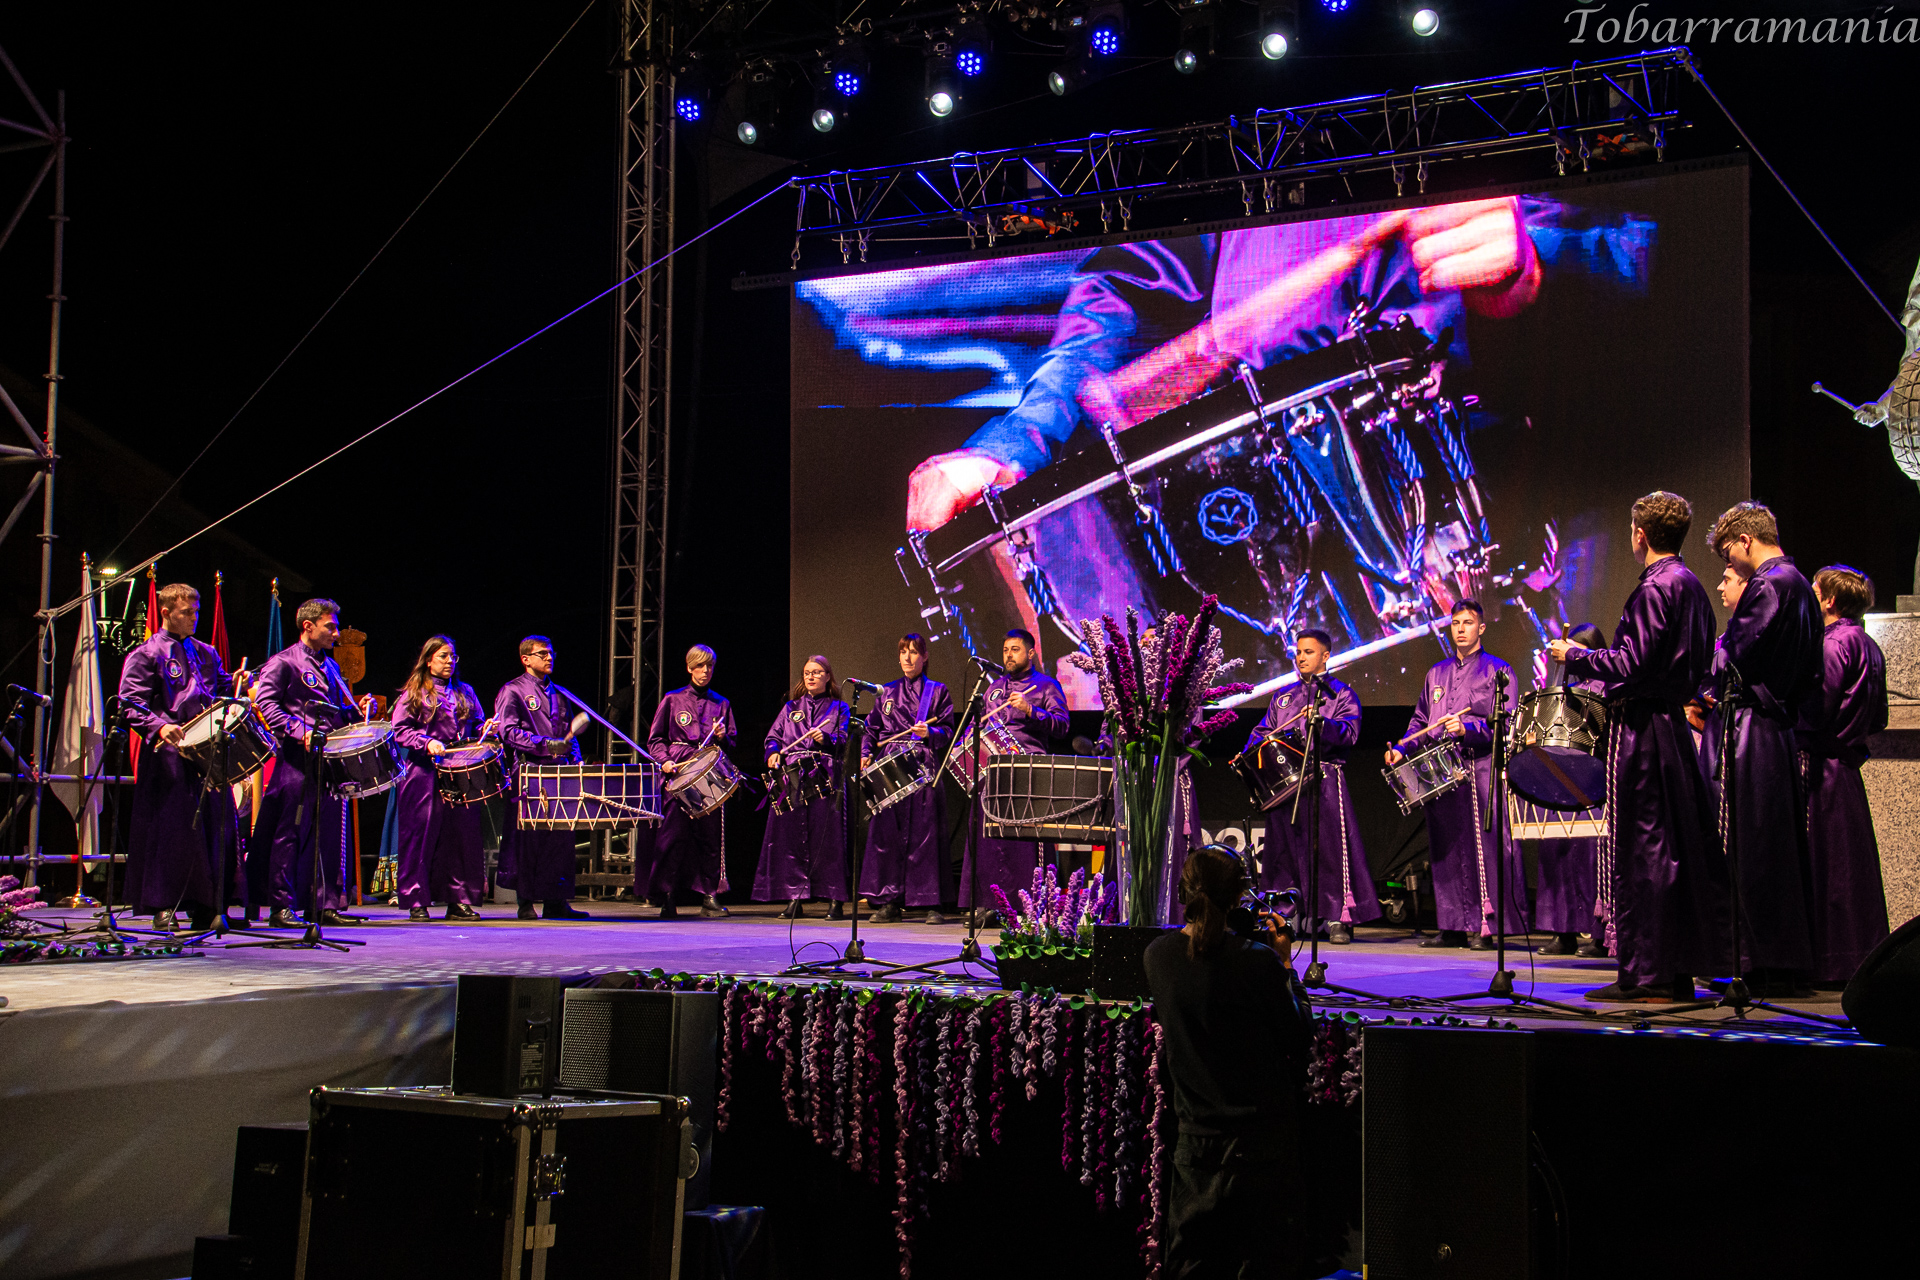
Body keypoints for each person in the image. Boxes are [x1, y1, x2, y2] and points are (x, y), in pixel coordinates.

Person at [1549, 491, 1728, 1002]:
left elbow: (1633, 663)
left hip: (1645, 728)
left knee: (1645, 849)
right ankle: (1671, 970)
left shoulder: (1656, 587)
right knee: (1672, 848)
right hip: (1670, 726)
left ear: (1640, 535)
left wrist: (1575, 656)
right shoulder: (1692, 586)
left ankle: (1649, 974)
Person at [1144, 846, 1307, 1280]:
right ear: (1238, 897)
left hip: (1194, 1147)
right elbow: (1297, 1035)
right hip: (1259, 1150)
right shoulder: (1258, 961)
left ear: (1184, 892)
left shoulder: (1157, 956)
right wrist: (1285, 963)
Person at [1704, 501, 1821, 992]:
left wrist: (1708, 666)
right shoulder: (1802, 586)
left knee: (1744, 847)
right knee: (1773, 848)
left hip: (1751, 727)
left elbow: (1734, 658)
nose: (1728, 565)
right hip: (1777, 727)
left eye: (1728, 553)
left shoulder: (1770, 584)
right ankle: (1776, 964)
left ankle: (1751, 964)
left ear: (1745, 541)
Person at [1386, 600, 1524, 949]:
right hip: (1440, 772)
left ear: (1481, 628)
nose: (1461, 629)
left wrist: (1468, 729)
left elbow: (1507, 724)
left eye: (1468, 622)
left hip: (1480, 767)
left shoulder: (1499, 670)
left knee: (1485, 848)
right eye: (1456, 623)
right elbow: (1421, 720)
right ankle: (1452, 925)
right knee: (1445, 847)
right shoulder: (1436, 673)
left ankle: (1487, 925)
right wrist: (1401, 748)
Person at [117, 582, 241, 932]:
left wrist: (240, 684)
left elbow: (221, 690)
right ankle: (165, 905)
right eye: (187, 612)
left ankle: (208, 905)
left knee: (213, 826)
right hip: (169, 753)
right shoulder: (146, 653)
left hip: (207, 751)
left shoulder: (207, 652)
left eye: (197, 612)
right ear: (167, 612)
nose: (194, 618)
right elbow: (129, 703)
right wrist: (158, 726)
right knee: (172, 829)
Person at [1244, 630, 1374, 944]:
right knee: (1284, 853)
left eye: (1309, 652)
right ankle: (1286, 916)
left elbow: (1349, 733)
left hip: (1324, 782)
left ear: (1325, 656)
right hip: (1286, 785)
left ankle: (1337, 917)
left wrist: (1321, 723)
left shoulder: (1341, 694)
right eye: (1299, 652)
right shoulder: (1283, 697)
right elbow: (1261, 733)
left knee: (1329, 852)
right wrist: (1250, 749)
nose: (1301, 658)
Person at [252, 597, 374, 928]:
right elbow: (266, 705)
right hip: (296, 762)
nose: (336, 633)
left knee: (328, 835)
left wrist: (357, 710)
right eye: (330, 627)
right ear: (308, 626)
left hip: (329, 761)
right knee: (290, 832)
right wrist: (299, 732)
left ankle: (323, 905)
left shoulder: (330, 666)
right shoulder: (283, 662)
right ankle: (281, 906)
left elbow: (336, 713)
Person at [1801, 565, 1890, 987]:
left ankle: (1830, 962)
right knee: (1852, 869)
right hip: (1848, 771)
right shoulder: (1870, 646)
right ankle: (1858, 960)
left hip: (1823, 770)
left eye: (1814, 590)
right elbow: (1880, 718)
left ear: (1830, 600)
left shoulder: (1833, 644)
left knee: (1828, 867)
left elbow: (1816, 709)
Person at [960, 629, 1070, 925]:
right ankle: (988, 904)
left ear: (1031, 653)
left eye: (1015, 649)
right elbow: (980, 726)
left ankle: (1030, 906)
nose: (1009, 655)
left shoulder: (1046, 685)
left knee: (1023, 843)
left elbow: (1062, 725)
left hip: (1029, 770)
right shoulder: (993, 688)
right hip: (994, 769)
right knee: (988, 839)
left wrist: (1030, 709)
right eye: (1006, 649)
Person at [389, 635, 487, 922]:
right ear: (429, 659)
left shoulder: (465, 691)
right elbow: (400, 729)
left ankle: (458, 900)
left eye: (453, 656)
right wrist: (426, 741)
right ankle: (416, 899)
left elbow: (478, 725)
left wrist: (486, 731)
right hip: (424, 773)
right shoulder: (415, 690)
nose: (449, 661)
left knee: (461, 837)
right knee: (419, 837)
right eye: (443, 656)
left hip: (460, 773)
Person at [859, 634, 955, 924]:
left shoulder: (937, 691)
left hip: (922, 764)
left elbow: (949, 731)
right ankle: (889, 901)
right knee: (887, 835)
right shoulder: (886, 692)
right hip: (890, 764)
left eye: (914, 652)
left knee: (926, 835)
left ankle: (930, 901)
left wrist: (931, 733)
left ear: (924, 657)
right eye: (903, 652)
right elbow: (870, 729)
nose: (908, 658)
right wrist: (865, 753)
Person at [493, 635, 587, 921]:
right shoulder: (512, 690)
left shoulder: (560, 693)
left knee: (560, 838)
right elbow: (508, 732)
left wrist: (577, 761)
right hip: (529, 772)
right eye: (542, 653)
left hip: (559, 774)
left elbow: (569, 733)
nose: (549, 657)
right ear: (526, 659)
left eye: (551, 653)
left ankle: (556, 901)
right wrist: (545, 745)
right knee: (528, 838)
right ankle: (525, 901)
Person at [646, 644, 737, 919]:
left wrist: (722, 737)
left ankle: (709, 895)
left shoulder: (721, 703)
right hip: (679, 775)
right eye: (700, 666)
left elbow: (732, 744)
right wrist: (664, 760)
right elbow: (655, 739)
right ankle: (667, 895)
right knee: (672, 838)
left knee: (709, 838)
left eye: (709, 666)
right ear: (689, 668)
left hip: (709, 777)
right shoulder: (672, 700)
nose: (705, 671)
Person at [757, 655, 851, 918]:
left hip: (825, 774)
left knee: (828, 837)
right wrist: (772, 753)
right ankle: (794, 895)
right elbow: (773, 737)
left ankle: (835, 898)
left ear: (828, 677)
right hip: (793, 776)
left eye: (817, 672)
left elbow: (844, 740)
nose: (811, 676)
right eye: (807, 672)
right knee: (791, 838)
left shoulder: (839, 708)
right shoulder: (791, 708)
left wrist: (826, 739)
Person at [1533, 622, 1607, 956]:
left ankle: (1600, 933)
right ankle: (1562, 931)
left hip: (1593, 781)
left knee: (1593, 857)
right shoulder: (1562, 688)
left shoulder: (1605, 687)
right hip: (1561, 780)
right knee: (1558, 853)